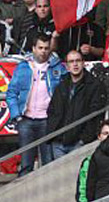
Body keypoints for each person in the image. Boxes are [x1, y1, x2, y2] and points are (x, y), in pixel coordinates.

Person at [6, 32, 66, 176]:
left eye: (46, 48)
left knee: (48, 163)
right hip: (26, 119)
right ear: (33, 48)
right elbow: (11, 93)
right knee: (26, 163)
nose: (43, 51)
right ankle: (24, 190)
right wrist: (17, 116)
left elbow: (66, 92)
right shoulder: (23, 67)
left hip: (48, 119)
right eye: (40, 48)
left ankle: (48, 190)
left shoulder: (57, 67)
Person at [47, 51, 107, 158]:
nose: (75, 64)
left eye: (78, 60)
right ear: (67, 66)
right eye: (71, 61)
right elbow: (52, 110)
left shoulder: (95, 85)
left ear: (83, 63)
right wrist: (53, 134)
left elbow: (96, 114)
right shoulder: (61, 85)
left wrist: (84, 139)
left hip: (79, 143)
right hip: (58, 142)